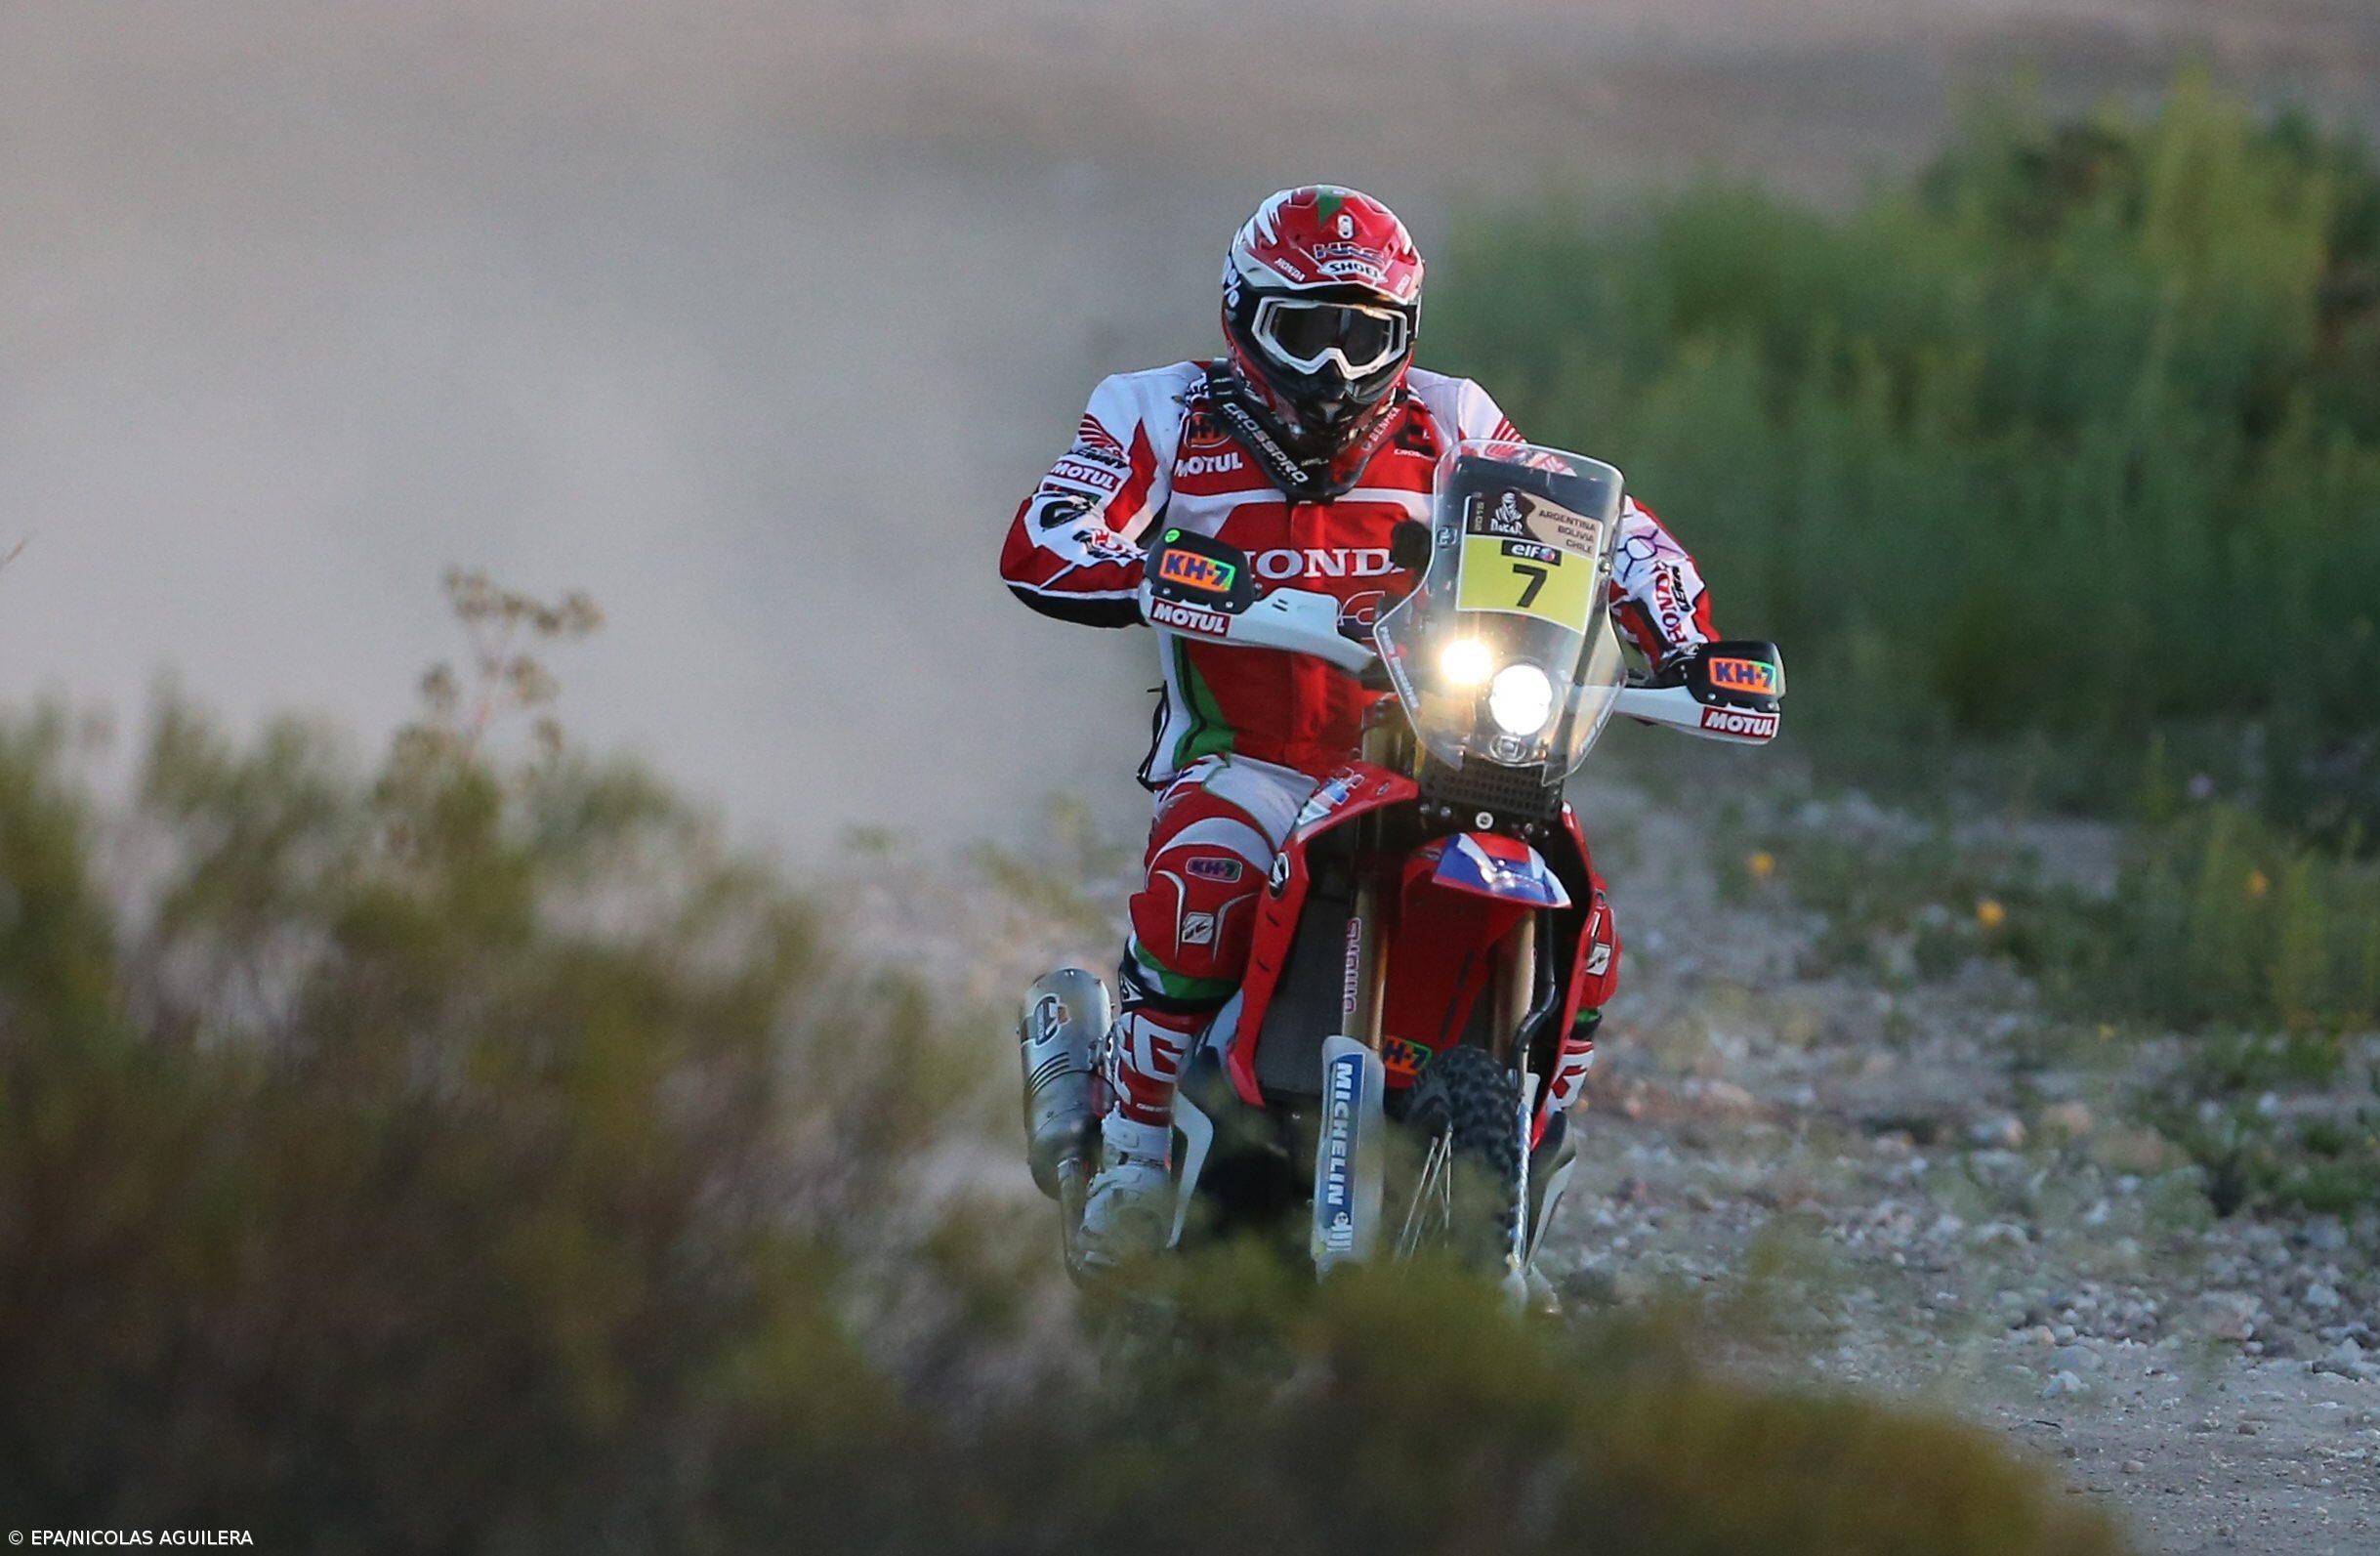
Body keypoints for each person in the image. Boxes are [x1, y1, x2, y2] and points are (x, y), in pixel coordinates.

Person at [998, 186, 1719, 1264]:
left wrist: (1686, 638)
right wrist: (1154, 567)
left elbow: (1607, 534)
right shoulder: (1155, 409)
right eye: (1306, 330)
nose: (1333, 367)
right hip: (1245, 760)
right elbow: (1050, 533)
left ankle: (1522, 1192)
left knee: (1590, 919)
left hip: (1427, 751)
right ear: (1244, 317)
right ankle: (1137, 1165)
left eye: (1363, 336)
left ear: (1406, 335)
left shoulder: (1455, 419)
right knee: (1208, 874)